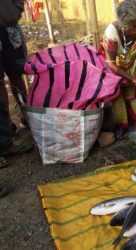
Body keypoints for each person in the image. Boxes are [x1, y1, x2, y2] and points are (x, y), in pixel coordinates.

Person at [100, 0, 136, 138]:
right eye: (133, 26)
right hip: (114, 69)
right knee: (117, 95)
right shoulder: (112, 33)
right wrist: (134, 79)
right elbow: (111, 64)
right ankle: (121, 126)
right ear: (123, 24)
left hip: (132, 68)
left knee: (134, 92)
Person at [1, 0, 32, 197]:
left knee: (17, 75)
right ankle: (5, 137)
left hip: (9, 30)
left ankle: (28, 117)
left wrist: (16, 10)